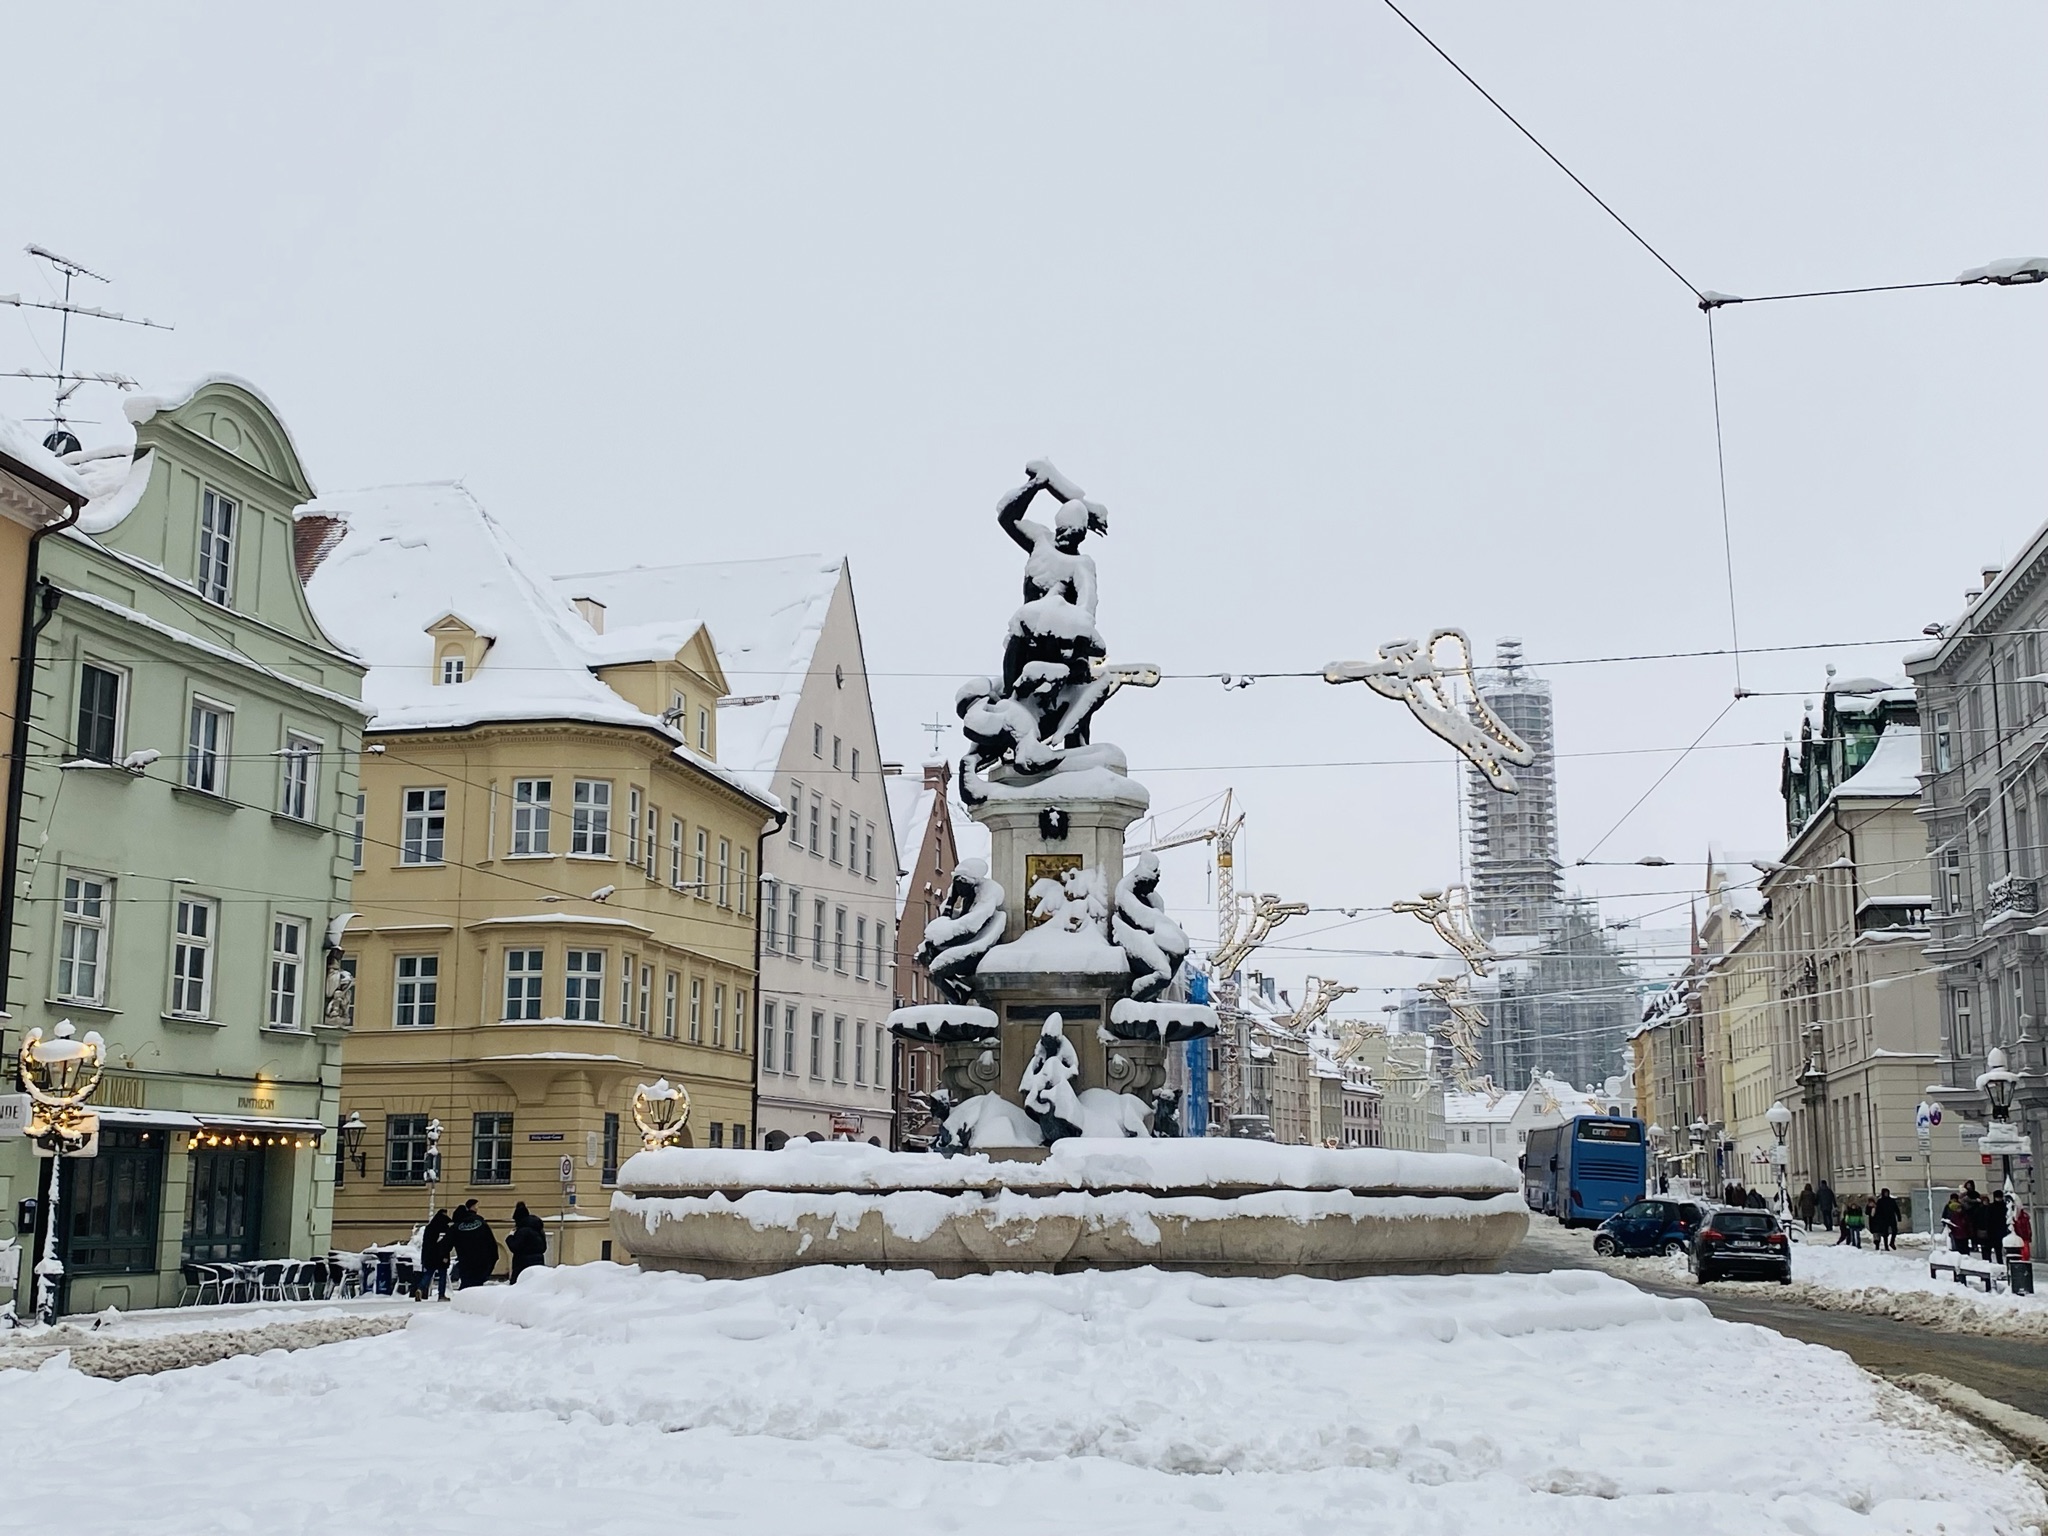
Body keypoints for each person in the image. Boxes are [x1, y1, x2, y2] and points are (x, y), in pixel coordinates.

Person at [450, 1198, 499, 1288]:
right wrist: (493, 1259)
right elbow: (491, 1243)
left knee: (467, 1284)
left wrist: (443, 1255)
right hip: (481, 1260)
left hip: (465, 1261)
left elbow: (446, 1243)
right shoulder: (481, 1223)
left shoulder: (456, 1227)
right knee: (477, 1286)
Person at [506, 1201, 548, 1283]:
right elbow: (544, 1247)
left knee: (520, 1285)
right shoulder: (538, 1228)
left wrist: (510, 1237)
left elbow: (515, 1247)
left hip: (522, 1263)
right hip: (538, 1260)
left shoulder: (522, 1230)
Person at [417, 1209, 453, 1300]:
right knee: (442, 1275)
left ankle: (420, 1288)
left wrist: (424, 1257)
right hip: (441, 1255)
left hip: (430, 1255)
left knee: (428, 1273)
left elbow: (425, 1244)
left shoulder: (429, 1227)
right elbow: (445, 1243)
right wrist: (445, 1255)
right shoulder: (444, 1228)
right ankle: (441, 1295)